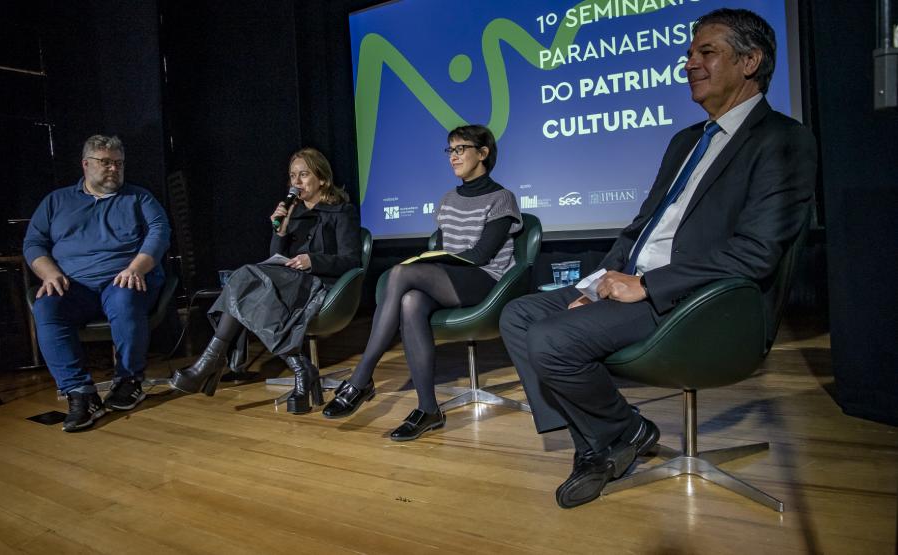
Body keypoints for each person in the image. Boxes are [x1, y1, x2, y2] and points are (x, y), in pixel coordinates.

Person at [499, 8, 817, 509]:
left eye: (705, 52)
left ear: (751, 60)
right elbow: (637, 232)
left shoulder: (783, 140)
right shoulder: (685, 140)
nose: (689, 62)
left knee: (550, 337)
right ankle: (612, 436)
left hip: (698, 301)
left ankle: (609, 441)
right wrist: (594, 287)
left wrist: (647, 286)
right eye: (689, 52)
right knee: (520, 315)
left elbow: (756, 253)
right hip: (634, 284)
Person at [322, 124, 522, 441]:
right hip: (454, 277)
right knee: (410, 300)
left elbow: (482, 255)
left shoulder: (502, 198)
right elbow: (442, 248)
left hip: (486, 281)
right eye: (450, 150)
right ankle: (428, 408)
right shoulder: (446, 200)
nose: (453, 157)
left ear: (482, 153)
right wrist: (432, 261)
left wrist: (429, 263)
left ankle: (361, 377)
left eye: (460, 149)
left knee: (402, 273)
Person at [170, 148, 361, 414]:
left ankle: (212, 362)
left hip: (318, 285)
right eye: (293, 175)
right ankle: (299, 367)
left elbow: (352, 260)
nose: (297, 182)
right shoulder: (292, 214)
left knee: (246, 281)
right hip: (287, 283)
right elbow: (276, 258)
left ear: (322, 179)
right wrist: (280, 230)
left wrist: (312, 260)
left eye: (304, 174)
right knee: (248, 282)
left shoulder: (342, 212)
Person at [24, 135, 172, 432]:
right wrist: (50, 274)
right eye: (105, 163)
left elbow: (160, 233)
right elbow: (33, 243)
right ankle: (80, 392)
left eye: (118, 163)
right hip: (73, 284)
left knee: (125, 297)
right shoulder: (56, 201)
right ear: (86, 164)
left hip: (122, 278)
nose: (114, 169)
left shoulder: (139, 197)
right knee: (47, 308)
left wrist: (136, 268)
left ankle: (129, 381)